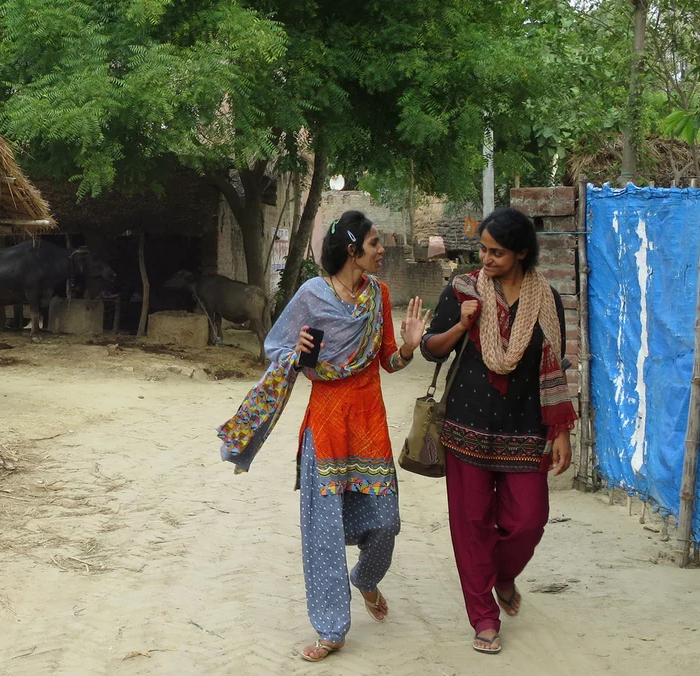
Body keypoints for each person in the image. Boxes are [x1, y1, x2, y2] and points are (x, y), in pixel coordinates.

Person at [217, 210, 428, 663]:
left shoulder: (380, 295)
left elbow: (390, 361)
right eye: (374, 243)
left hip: (369, 426)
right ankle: (332, 629)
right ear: (352, 251)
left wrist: (409, 346)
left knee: (386, 523)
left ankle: (366, 579)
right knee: (323, 534)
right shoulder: (312, 295)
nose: (381, 250)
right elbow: (275, 347)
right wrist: (297, 353)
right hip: (326, 427)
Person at [420, 207, 576, 655]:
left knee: (528, 520)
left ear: (522, 253)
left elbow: (555, 365)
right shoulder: (464, 288)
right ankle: (483, 617)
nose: (486, 259)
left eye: (497, 253)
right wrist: (463, 323)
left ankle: (502, 577)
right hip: (467, 425)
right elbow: (432, 350)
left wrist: (561, 430)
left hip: (525, 427)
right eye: (484, 250)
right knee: (471, 526)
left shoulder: (546, 299)